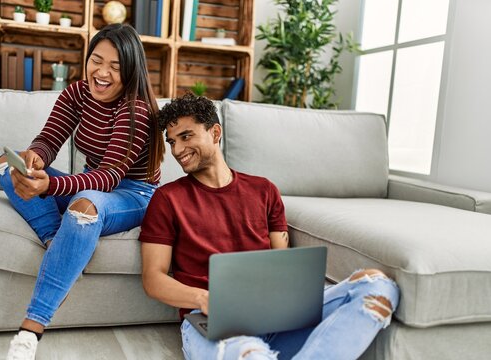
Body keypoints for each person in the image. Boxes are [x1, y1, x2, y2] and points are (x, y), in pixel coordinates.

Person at [139, 93, 400, 360]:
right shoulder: (167, 198)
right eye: (172, 142)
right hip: (211, 318)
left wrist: (292, 301)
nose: (177, 150)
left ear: (215, 132)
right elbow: (153, 279)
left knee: (378, 287)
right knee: (249, 355)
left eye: (186, 136)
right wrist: (203, 299)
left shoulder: (264, 190)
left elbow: (282, 265)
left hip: (273, 314)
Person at [0, 24, 164, 360]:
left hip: (132, 194)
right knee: (4, 164)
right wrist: (35, 159)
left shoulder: (137, 110)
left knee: (83, 207)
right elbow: (49, 139)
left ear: (131, 71)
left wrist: (50, 184)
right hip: (89, 183)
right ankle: (57, 240)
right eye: (96, 61)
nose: (101, 73)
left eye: (115, 67)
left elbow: (110, 177)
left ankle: (30, 331)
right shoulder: (77, 93)